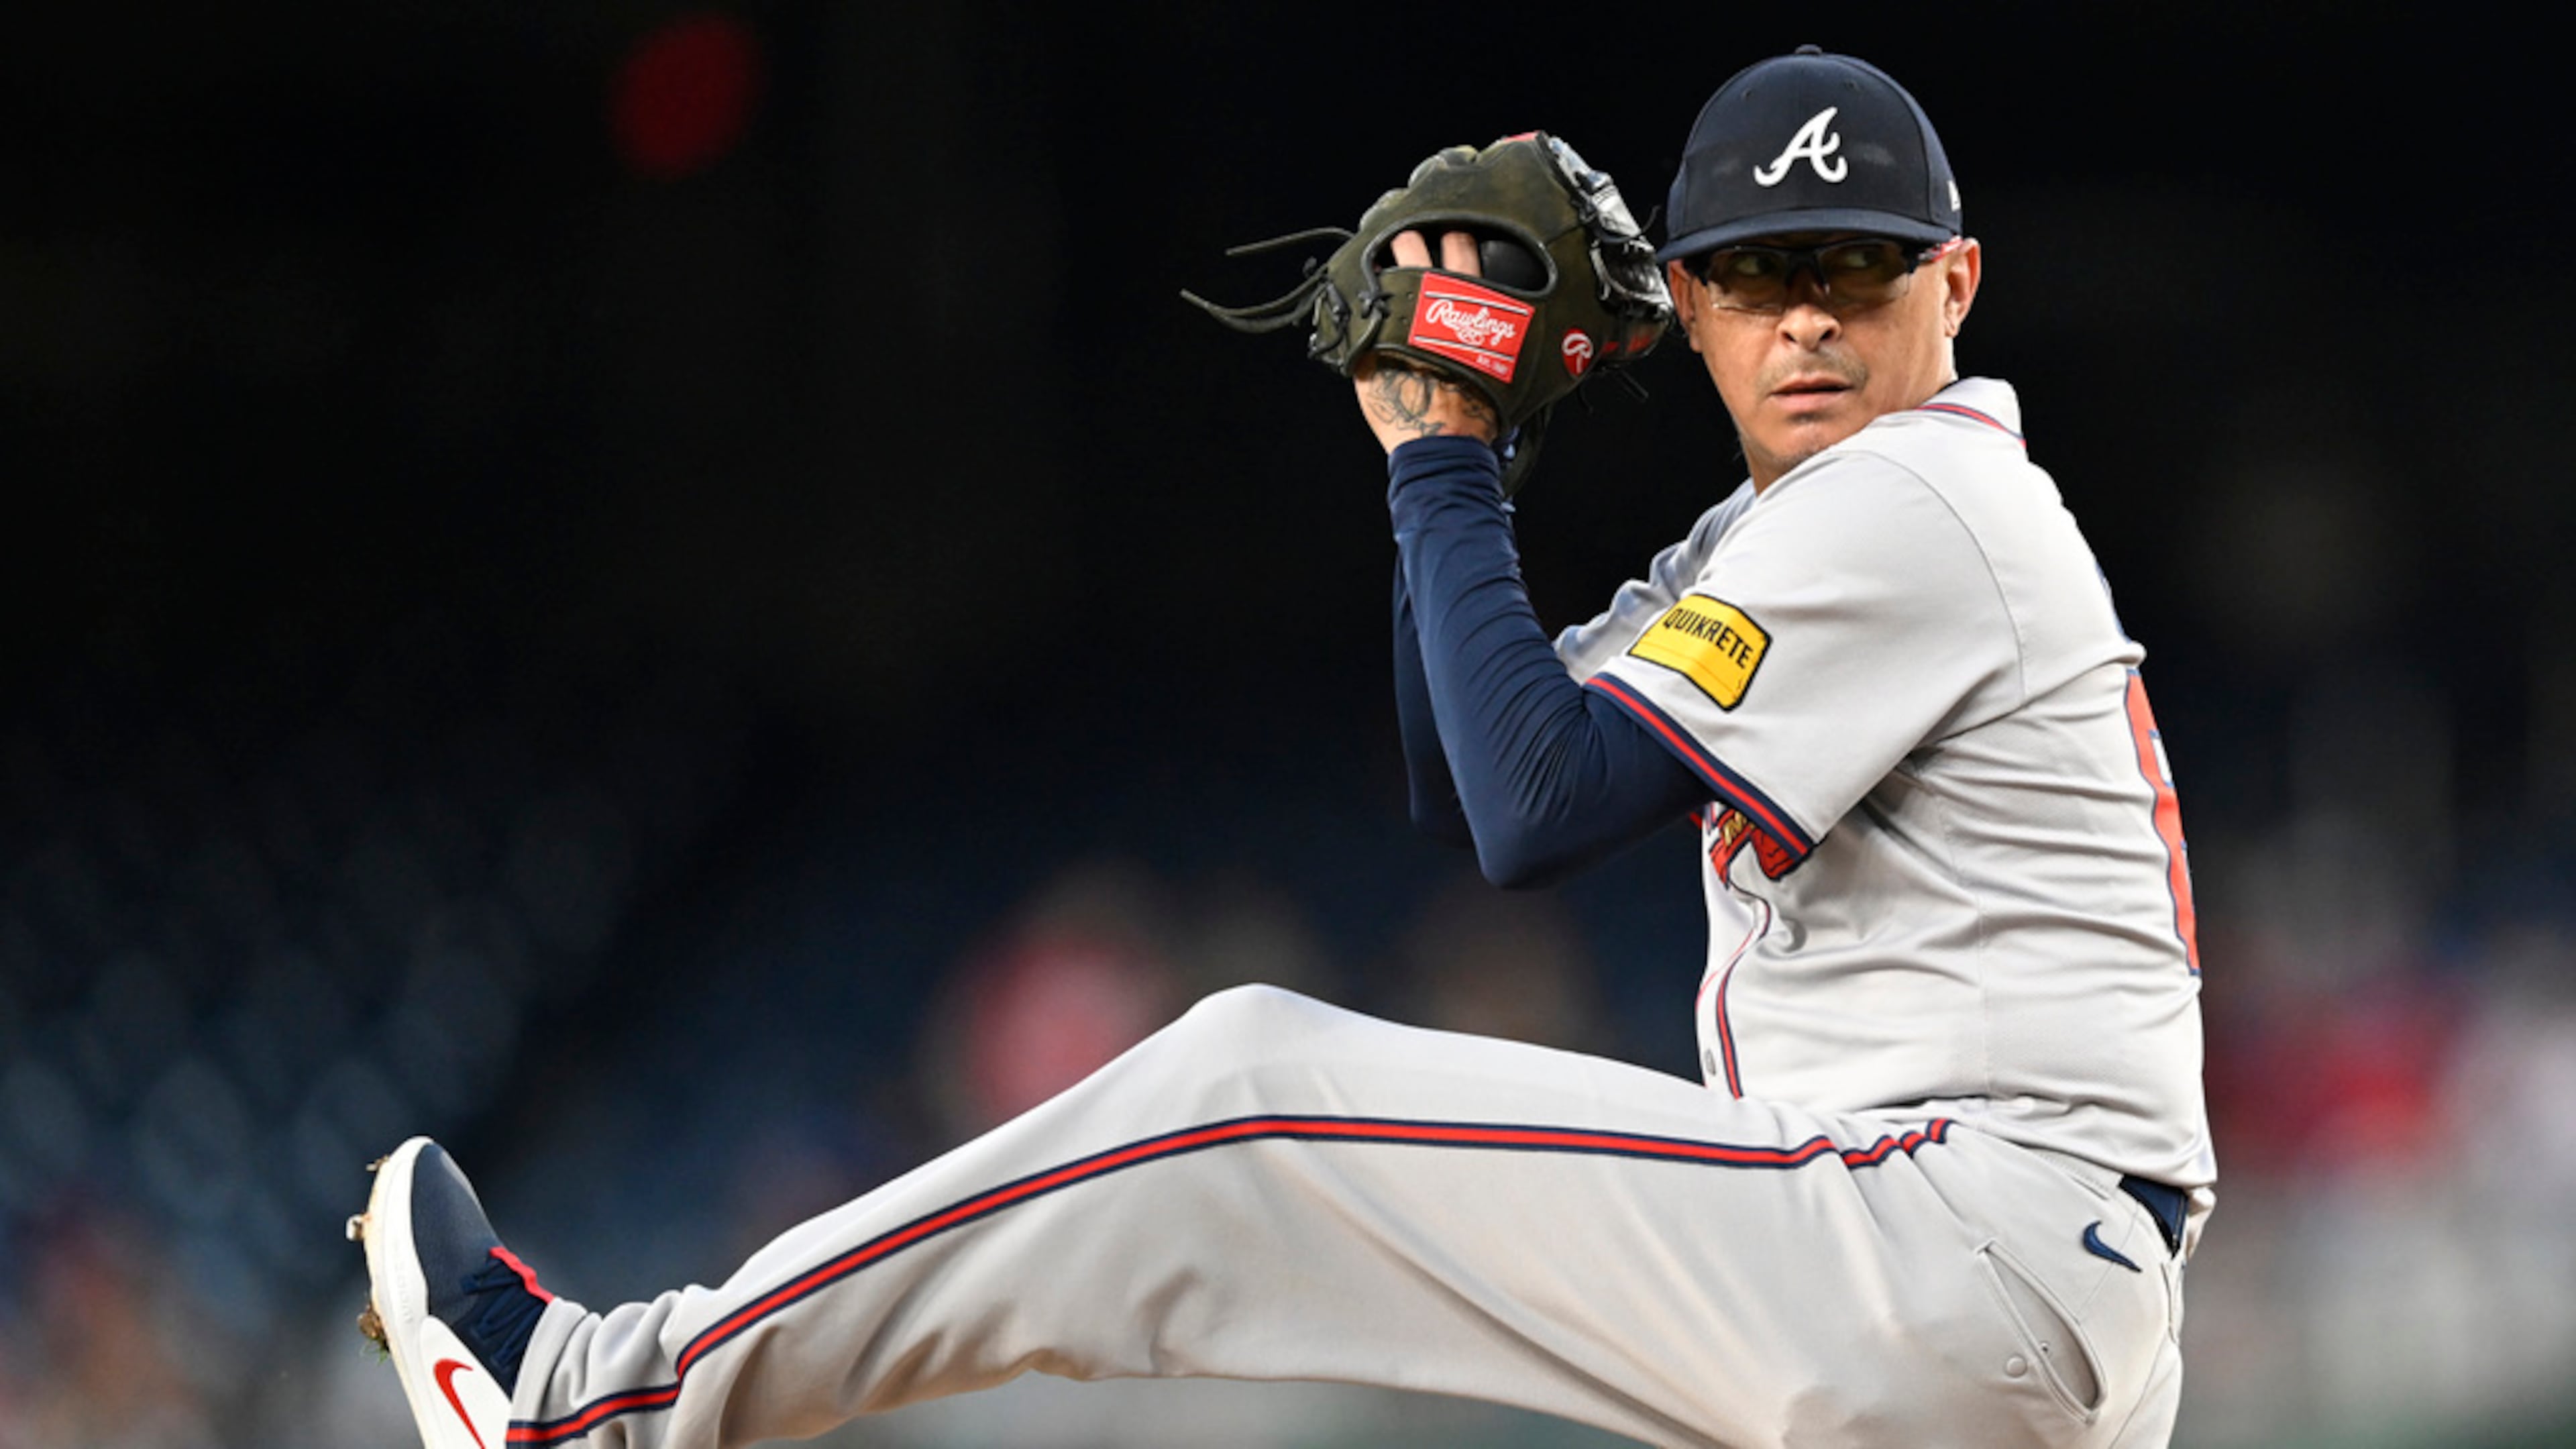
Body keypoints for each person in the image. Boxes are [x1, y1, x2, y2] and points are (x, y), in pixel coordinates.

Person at [352, 48, 2212, 1449]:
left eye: (1859, 270)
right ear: (1692, 313)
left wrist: (1441, 465)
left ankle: (594, 1400)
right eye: (1757, 271)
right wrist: (1445, 444)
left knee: (1241, 1088)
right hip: (1999, 1304)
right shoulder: (1812, 535)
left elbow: (1536, 814)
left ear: (1954, 288)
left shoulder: (1914, 499)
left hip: (1966, 1241)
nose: (1807, 315)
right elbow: (1462, 763)